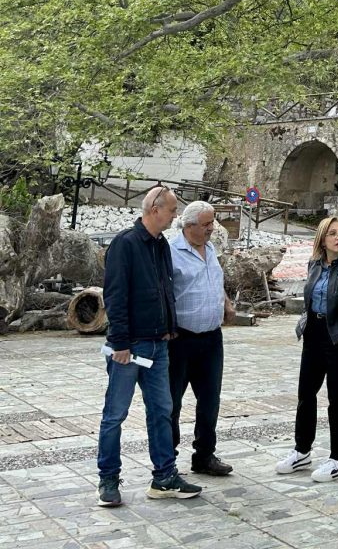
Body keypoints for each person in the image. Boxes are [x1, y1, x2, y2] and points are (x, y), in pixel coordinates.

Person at [96, 186, 202, 507]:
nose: (175, 216)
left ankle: (164, 477)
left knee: (161, 411)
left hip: (159, 345)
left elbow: (165, 291)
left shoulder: (161, 245)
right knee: (115, 414)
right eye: (172, 210)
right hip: (130, 347)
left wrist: (170, 330)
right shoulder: (125, 244)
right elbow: (115, 296)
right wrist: (120, 342)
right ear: (155, 209)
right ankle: (108, 479)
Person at [276, 215, 338, 482]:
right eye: (332, 233)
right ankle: (302, 451)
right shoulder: (314, 265)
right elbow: (311, 300)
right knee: (306, 395)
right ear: (322, 239)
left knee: (337, 399)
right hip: (314, 335)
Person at [168, 200, 236, 477]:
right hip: (180, 341)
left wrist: (226, 302)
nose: (212, 228)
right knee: (171, 403)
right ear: (189, 225)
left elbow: (214, 282)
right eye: (207, 224)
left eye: (213, 222)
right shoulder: (171, 252)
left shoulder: (210, 248)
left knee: (210, 400)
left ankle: (205, 455)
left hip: (211, 339)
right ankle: (167, 459)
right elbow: (162, 293)